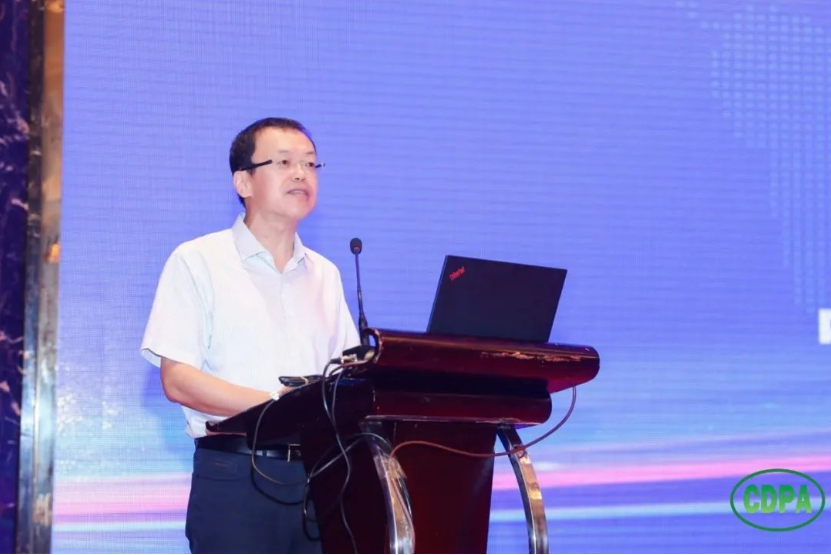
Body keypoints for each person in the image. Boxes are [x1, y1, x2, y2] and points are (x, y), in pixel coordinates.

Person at [141, 117, 360, 553]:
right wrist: (278, 405)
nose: (301, 174)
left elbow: (345, 377)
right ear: (243, 181)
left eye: (310, 164)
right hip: (236, 478)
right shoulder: (198, 261)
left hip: (321, 478)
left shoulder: (326, 274)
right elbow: (178, 379)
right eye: (284, 162)